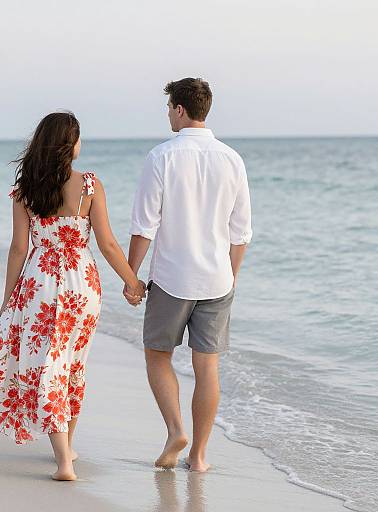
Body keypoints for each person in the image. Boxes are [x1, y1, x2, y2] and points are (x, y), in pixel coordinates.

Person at [0, 112, 145, 481]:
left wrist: (8, 298)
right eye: (78, 138)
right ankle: (65, 454)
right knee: (72, 365)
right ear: (69, 144)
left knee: (49, 366)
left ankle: (65, 454)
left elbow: (17, 249)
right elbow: (106, 243)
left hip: (40, 285)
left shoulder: (25, 189)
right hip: (82, 285)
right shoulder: (89, 185)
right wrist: (132, 282)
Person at [125, 78, 253, 472]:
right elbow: (241, 231)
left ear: (180, 109)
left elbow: (145, 225)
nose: (168, 114)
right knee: (207, 366)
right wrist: (230, 277)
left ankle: (175, 430)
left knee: (158, 355)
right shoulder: (232, 158)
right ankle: (198, 456)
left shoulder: (161, 156)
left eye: (169, 108)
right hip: (217, 279)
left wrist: (132, 277)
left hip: (172, 278)